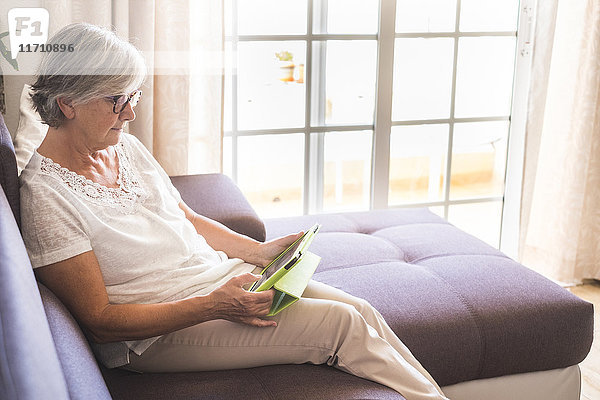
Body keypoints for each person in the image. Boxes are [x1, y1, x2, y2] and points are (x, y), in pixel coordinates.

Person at [20, 23, 448, 400]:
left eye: (133, 95)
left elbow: (185, 218)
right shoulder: (46, 197)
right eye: (117, 100)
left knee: (362, 309)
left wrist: (259, 253)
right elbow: (101, 322)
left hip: (219, 282)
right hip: (159, 333)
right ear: (67, 103)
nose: (130, 113)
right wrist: (214, 306)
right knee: (340, 324)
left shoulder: (123, 147)